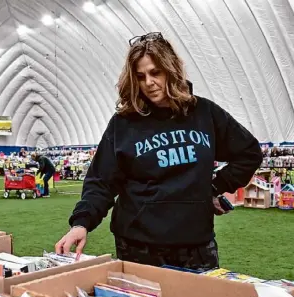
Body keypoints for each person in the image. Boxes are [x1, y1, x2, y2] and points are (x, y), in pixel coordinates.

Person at [55, 32, 263, 271]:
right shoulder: (124, 123)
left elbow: (249, 153)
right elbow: (101, 181)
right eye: (140, 76)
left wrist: (214, 187)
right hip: (137, 246)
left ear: (171, 71)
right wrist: (81, 223)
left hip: (195, 245)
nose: (149, 83)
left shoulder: (205, 113)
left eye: (156, 73)